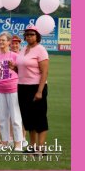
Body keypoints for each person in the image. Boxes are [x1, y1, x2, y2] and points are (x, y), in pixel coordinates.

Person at [15, 25, 49, 155]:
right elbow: (22, 69)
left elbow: (45, 72)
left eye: (32, 34)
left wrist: (40, 91)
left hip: (36, 87)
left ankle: (41, 148)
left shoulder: (40, 50)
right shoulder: (24, 49)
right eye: (27, 34)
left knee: (39, 117)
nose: (29, 36)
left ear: (37, 36)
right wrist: (14, 68)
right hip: (23, 87)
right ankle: (32, 146)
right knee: (28, 118)